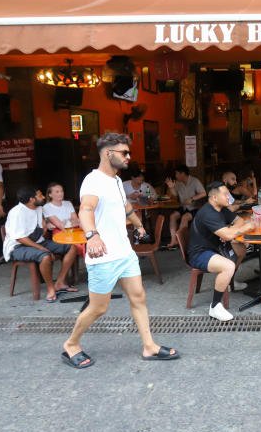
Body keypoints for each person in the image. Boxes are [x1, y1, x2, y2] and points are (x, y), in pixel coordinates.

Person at [62, 132, 179, 369]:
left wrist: (138, 226)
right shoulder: (93, 181)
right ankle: (71, 344)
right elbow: (86, 209)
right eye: (124, 152)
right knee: (99, 307)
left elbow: (125, 206)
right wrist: (92, 235)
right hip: (103, 255)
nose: (129, 157)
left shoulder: (115, 180)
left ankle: (149, 346)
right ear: (108, 153)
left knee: (139, 297)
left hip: (124, 253)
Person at [188, 182, 255, 321]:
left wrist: (231, 231)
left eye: (228, 194)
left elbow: (239, 220)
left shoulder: (221, 209)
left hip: (215, 248)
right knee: (228, 265)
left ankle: (230, 282)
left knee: (241, 249)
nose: (229, 197)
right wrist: (240, 230)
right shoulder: (207, 213)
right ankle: (215, 306)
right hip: (200, 253)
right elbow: (230, 234)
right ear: (214, 197)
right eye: (225, 194)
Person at [3, 186, 79, 303]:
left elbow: (40, 230)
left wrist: (44, 227)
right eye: (39, 195)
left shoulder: (38, 208)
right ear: (31, 199)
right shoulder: (17, 213)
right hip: (17, 247)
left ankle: (59, 282)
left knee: (72, 247)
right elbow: (20, 238)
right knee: (45, 256)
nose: (43, 197)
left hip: (37, 241)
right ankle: (50, 289)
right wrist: (41, 248)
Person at [164, 165, 206, 250]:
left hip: (195, 208)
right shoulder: (178, 183)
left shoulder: (194, 181)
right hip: (184, 207)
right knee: (173, 216)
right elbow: (175, 194)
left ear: (182, 174)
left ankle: (181, 241)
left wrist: (192, 198)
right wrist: (171, 187)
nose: (175, 176)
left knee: (185, 217)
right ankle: (173, 240)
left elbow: (203, 193)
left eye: (176, 174)